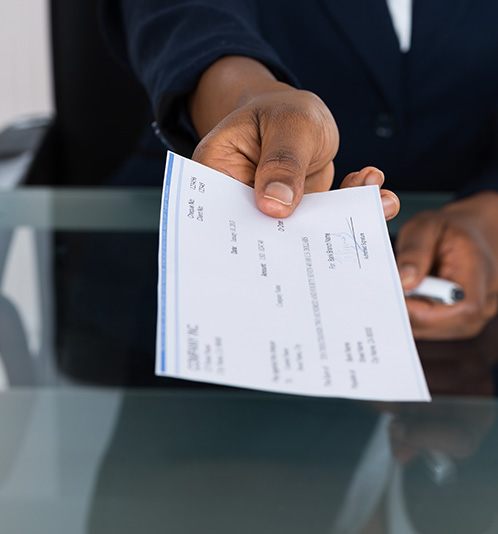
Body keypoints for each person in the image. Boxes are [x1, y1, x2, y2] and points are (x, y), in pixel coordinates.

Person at [100, 0, 498, 340]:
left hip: (463, 318)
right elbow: (184, 12)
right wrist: (249, 100)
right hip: (193, 294)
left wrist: (490, 210)